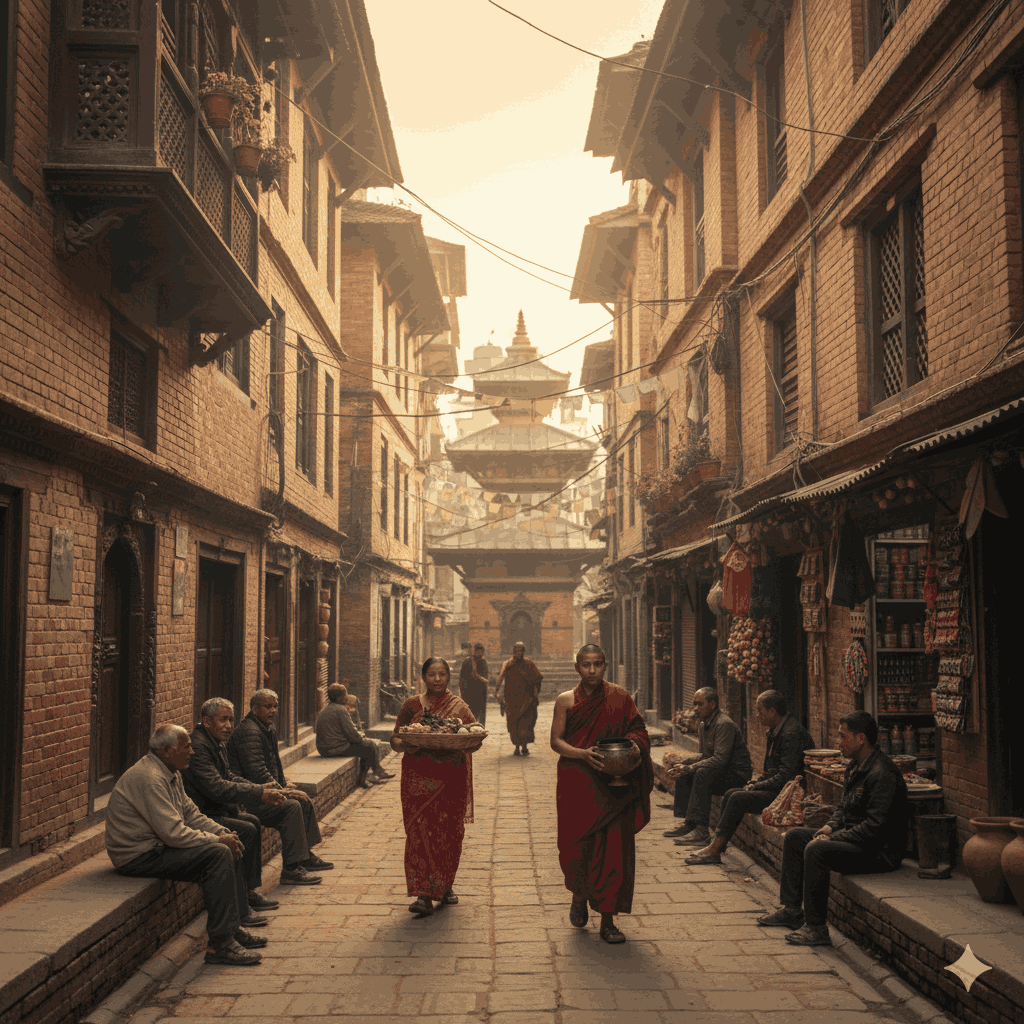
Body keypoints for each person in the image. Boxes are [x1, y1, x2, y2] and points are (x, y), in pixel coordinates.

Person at [105, 724, 265, 966]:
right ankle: (221, 944)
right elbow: (174, 834)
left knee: (230, 841)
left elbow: (191, 814)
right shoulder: (151, 779)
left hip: (158, 846)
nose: (192, 752)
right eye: (186, 747)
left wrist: (223, 832)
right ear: (167, 751)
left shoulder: (171, 772)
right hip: (138, 855)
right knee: (218, 854)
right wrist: (218, 840)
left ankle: (231, 928)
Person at [756, 710, 909, 947]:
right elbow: (844, 807)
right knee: (796, 837)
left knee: (816, 850)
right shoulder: (854, 767)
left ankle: (816, 929)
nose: (838, 742)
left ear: (861, 739)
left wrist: (832, 838)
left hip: (879, 851)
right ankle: (792, 909)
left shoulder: (883, 774)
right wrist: (829, 826)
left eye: (842, 736)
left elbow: (875, 828)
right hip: (852, 839)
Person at [551, 644, 653, 945]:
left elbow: (639, 731)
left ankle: (608, 920)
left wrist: (634, 746)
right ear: (576, 668)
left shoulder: (619, 697)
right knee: (577, 848)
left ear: (605, 665)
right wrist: (582, 754)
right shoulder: (565, 701)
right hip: (578, 780)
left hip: (613, 782)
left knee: (613, 853)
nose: (592, 670)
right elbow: (556, 741)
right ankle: (579, 896)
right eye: (586, 665)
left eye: (597, 664)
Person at [391, 658, 481, 917]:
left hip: (450, 778)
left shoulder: (459, 707)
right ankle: (423, 893)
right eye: (432, 674)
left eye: (442, 674)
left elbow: (473, 736)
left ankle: (445, 884)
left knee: (449, 833)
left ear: (449, 677)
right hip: (417, 777)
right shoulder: (411, 705)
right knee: (419, 834)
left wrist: (471, 742)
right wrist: (407, 745)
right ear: (423, 677)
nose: (437, 679)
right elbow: (395, 738)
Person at [183, 697, 290, 916]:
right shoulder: (200, 746)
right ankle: (241, 904)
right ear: (206, 720)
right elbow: (216, 787)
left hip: (218, 809)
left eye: (231, 720)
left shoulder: (216, 741)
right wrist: (258, 792)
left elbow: (229, 775)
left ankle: (248, 890)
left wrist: (259, 788)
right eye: (223, 720)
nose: (229, 726)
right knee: (246, 829)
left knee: (251, 822)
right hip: (204, 813)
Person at [685, 690, 814, 865]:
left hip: (788, 795)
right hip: (776, 788)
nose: (757, 715)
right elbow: (771, 770)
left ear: (772, 712)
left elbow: (786, 776)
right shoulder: (775, 730)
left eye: (759, 710)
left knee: (737, 798)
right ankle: (716, 844)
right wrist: (757, 782)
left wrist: (757, 786)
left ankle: (715, 849)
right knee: (731, 793)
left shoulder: (791, 733)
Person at [227, 689, 333, 885]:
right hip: (251, 797)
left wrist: (284, 784)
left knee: (303, 800)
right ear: (254, 708)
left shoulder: (266, 728)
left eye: (275, 706)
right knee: (292, 806)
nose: (273, 711)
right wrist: (284, 791)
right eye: (268, 707)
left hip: (266, 790)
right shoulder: (250, 731)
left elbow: (275, 764)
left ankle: (304, 856)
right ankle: (291, 870)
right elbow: (257, 772)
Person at [664, 687, 752, 848]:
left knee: (701, 773)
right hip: (720, 771)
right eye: (694, 704)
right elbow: (704, 756)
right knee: (686, 769)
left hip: (736, 774)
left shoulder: (724, 724)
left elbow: (720, 759)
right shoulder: (703, 724)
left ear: (712, 704)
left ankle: (702, 830)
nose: (695, 708)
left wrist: (691, 768)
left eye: (700, 704)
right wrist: (685, 764)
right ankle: (690, 824)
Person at [315, 683, 395, 788]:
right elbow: (352, 734)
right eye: (345, 694)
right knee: (369, 746)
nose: (347, 697)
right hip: (334, 748)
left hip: (324, 748)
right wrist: (362, 737)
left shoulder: (326, 709)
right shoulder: (341, 709)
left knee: (367, 746)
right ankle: (370, 775)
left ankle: (372, 775)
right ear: (339, 697)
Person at [497, 641, 543, 756]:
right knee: (514, 725)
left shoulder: (529, 663)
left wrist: (535, 694)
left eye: (521, 651)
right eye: (517, 651)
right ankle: (517, 747)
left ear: (524, 652)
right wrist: (497, 693)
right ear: (513, 652)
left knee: (526, 724)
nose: (519, 653)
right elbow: (501, 678)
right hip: (512, 699)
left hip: (526, 699)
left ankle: (524, 746)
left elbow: (537, 678)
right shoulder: (507, 664)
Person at [459, 643, 489, 727]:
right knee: (471, 713)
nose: (480, 654)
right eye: (479, 652)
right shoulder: (468, 661)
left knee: (480, 714)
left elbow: (486, 676)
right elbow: (462, 678)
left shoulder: (483, 661)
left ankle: (479, 729)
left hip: (480, 692)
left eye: (481, 652)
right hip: (470, 692)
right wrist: (462, 692)